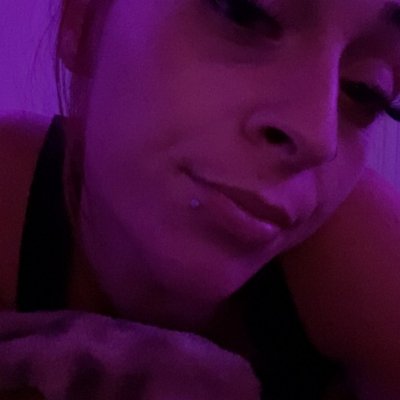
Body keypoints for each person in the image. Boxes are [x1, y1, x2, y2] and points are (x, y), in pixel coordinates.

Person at [0, 0, 399, 398]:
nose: (318, 135)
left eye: (366, 90)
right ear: (83, 19)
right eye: (247, 14)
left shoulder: (366, 258)